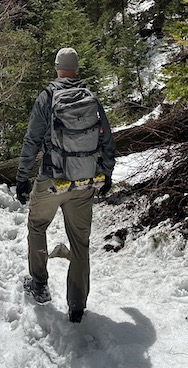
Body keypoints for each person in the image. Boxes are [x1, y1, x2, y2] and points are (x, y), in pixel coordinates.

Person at [16, 47, 115, 323]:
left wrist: (23, 177)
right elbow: (107, 138)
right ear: (77, 68)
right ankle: (77, 306)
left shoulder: (47, 97)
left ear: (57, 68)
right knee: (80, 243)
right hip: (84, 182)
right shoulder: (90, 98)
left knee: (37, 226)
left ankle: (38, 284)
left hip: (52, 180)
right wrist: (106, 172)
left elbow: (32, 141)